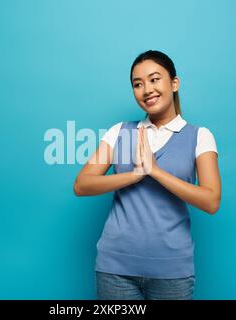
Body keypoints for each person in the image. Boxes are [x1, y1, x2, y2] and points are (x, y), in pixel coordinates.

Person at [73, 50, 221, 300]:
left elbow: (211, 200)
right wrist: (134, 175)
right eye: (137, 84)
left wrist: (155, 171)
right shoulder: (119, 132)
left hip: (172, 271)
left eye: (154, 79)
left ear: (174, 83)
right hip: (115, 269)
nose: (146, 89)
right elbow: (82, 184)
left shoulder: (200, 136)